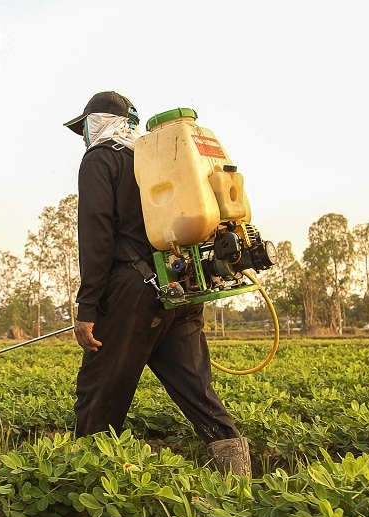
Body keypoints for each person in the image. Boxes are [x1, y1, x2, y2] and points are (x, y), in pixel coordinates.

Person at [63, 91, 251, 476]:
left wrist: (87, 309)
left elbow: (96, 236)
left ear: (95, 123)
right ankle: (240, 480)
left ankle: (83, 484)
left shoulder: (101, 159)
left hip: (131, 293)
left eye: (83, 127)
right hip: (181, 287)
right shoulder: (159, 161)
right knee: (197, 391)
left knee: (99, 392)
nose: (82, 136)